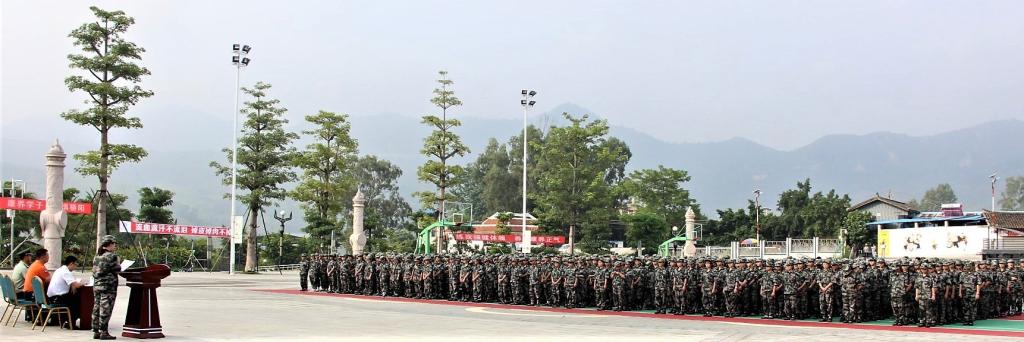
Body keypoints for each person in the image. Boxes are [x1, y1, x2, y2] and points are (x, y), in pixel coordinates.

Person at [92, 235, 121, 340]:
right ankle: (104, 332)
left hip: (97, 286)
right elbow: (117, 269)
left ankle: (96, 331)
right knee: (106, 309)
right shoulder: (112, 256)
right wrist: (118, 262)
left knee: (96, 308)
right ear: (110, 244)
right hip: (108, 287)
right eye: (114, 244)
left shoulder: (97, 256)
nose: (115, 246)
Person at [47, 255, 85, 328]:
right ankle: (71, 324)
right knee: (78, 301)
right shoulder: (66, 272)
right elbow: (76, 285)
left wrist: (73, 285)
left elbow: (72, 284)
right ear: (71, 263)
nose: (75, 267)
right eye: (75, 264)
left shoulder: (60, 270)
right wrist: (83, 283)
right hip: (57, 298)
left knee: (74, 297)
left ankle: (67, 321)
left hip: (52, 297)